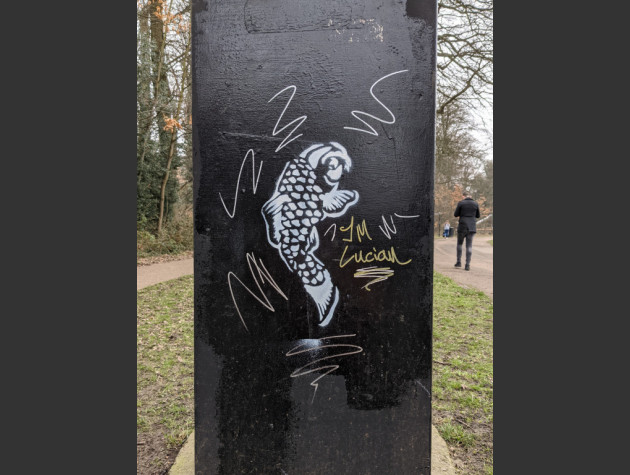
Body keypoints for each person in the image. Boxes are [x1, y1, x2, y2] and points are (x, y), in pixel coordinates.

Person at [453, 191, 480, 271]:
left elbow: (455, 214)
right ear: (470, 196)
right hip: (472, 227)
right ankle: (467, 265)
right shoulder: (475, 204)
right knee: (469, 246)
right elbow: (478, 216)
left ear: (463, 196)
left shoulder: (461, 203)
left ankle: (458, 262)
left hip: (462, 226)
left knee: (460, 244)